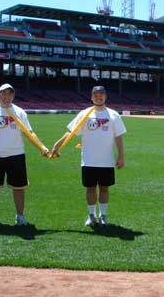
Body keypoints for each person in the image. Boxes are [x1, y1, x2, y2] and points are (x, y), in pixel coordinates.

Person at [51, 86, 126, 227]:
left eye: (101, 94)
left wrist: (121, 156)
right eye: (96, 95)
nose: (99, 97)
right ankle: (91, 216)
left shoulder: (114, 115)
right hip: (88, 160)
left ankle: (103, 215)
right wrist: (58, 144)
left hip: (106, 161)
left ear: (105, 96)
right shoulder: (84, 114)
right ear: (91, 97)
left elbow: (119, 137)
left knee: (104, 188)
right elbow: (72, 132)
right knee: (90, 188)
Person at [0, 83, 49, 226]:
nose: (7, 96)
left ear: (13, 95)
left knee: (19, 188)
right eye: (4, 93)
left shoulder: (20, 112)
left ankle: (20, 216)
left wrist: (42, 148)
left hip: (16, 155)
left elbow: (29, 133)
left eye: (10, 93)